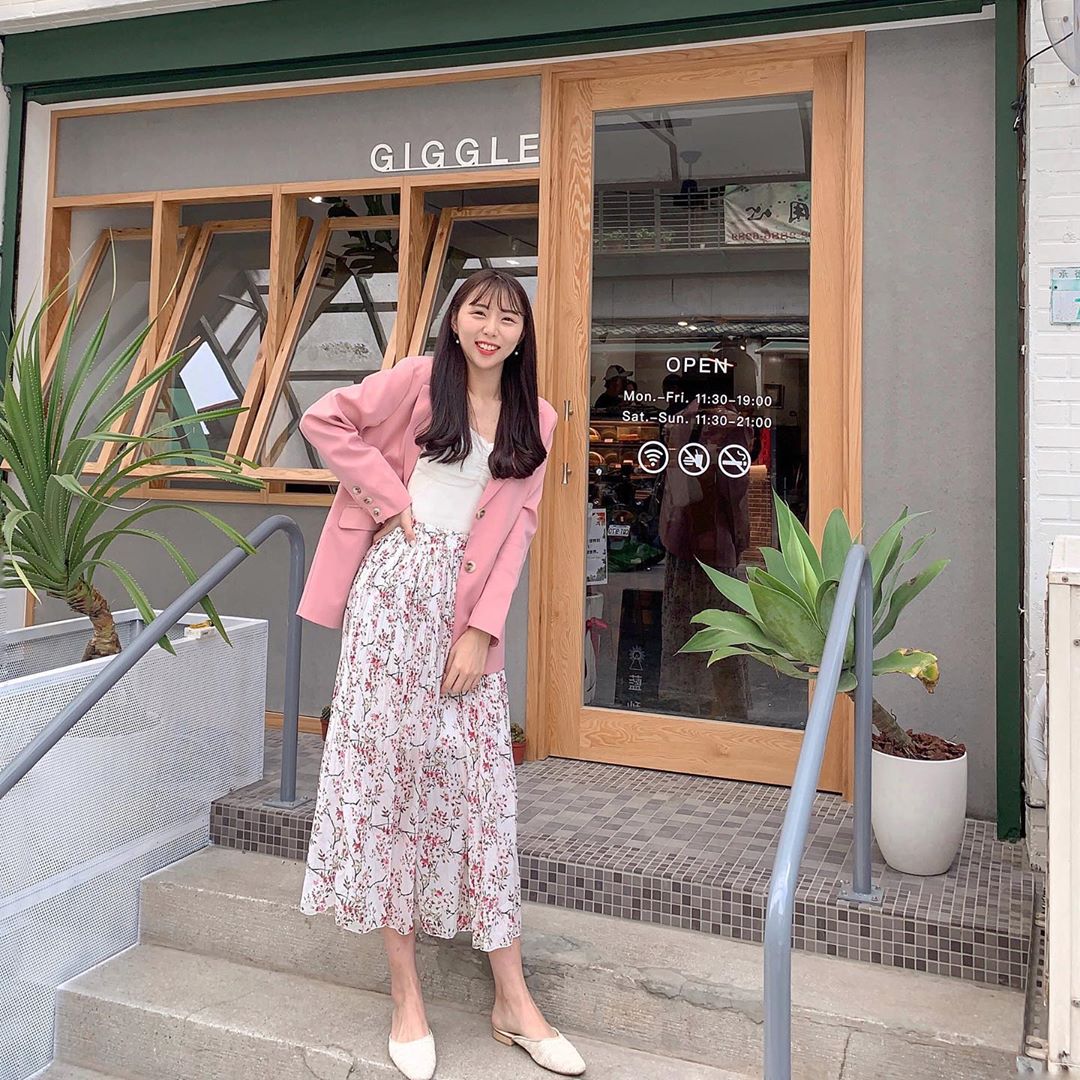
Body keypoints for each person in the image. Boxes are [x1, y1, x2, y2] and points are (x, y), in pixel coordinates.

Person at [295, 269, 586, 1080]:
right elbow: (325, 418)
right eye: (477, 311)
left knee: (479, 792)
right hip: (392, 596)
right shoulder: (419, 380)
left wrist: (484, 631)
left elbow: (520, 530)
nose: (490, 328)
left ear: (524, 335)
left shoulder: (539, 417)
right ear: (455, 321)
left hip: (465, 618)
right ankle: (406, 997)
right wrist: (389, 500)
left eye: (507, 317)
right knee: (390, 784)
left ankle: (513, 999)